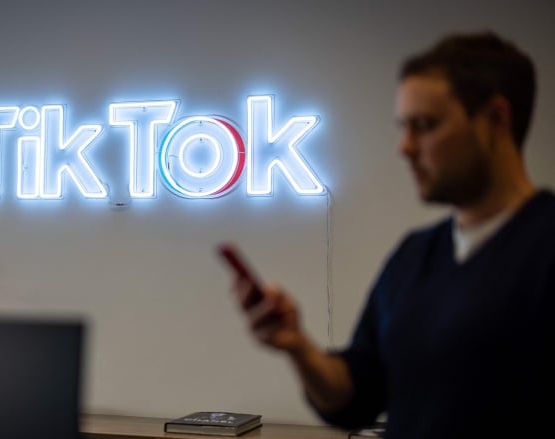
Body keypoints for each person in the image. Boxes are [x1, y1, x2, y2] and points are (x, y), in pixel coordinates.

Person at [230, 31, 555, 439]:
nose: (405, 147)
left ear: (495, 121)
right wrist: (297, 346)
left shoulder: (544, 248)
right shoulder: (415, 256)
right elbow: (355, 398)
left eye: (424, 126)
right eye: (403, 127)